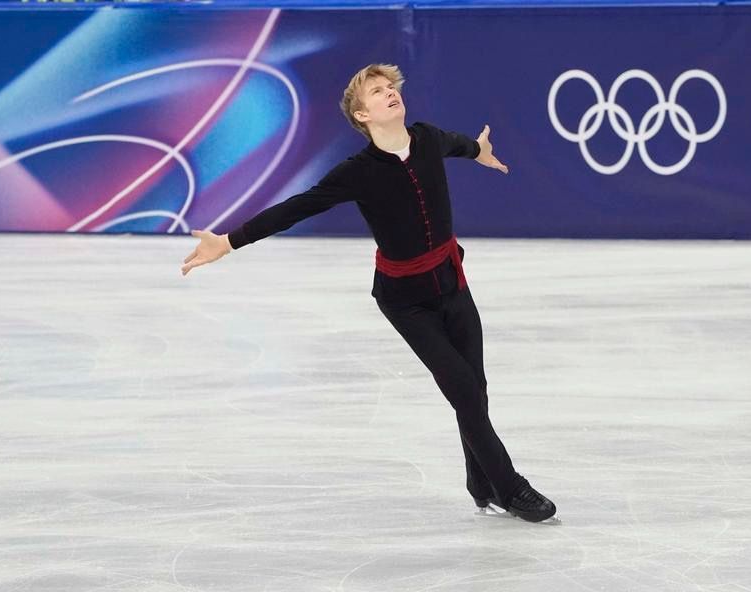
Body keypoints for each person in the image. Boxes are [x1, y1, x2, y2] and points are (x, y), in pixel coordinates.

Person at [180, 64, 556, 523]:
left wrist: (479, 150)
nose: (389, 92)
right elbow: (297, 207)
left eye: (390, 87)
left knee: (474, 388)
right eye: (377, 92)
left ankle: (480, 485)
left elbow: (460, 144)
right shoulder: (357, 173)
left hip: (452, 283)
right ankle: (510, 487)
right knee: (462, 389)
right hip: (406, 302)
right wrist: (228, 241)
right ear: (362, 115)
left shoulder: (427, 138)